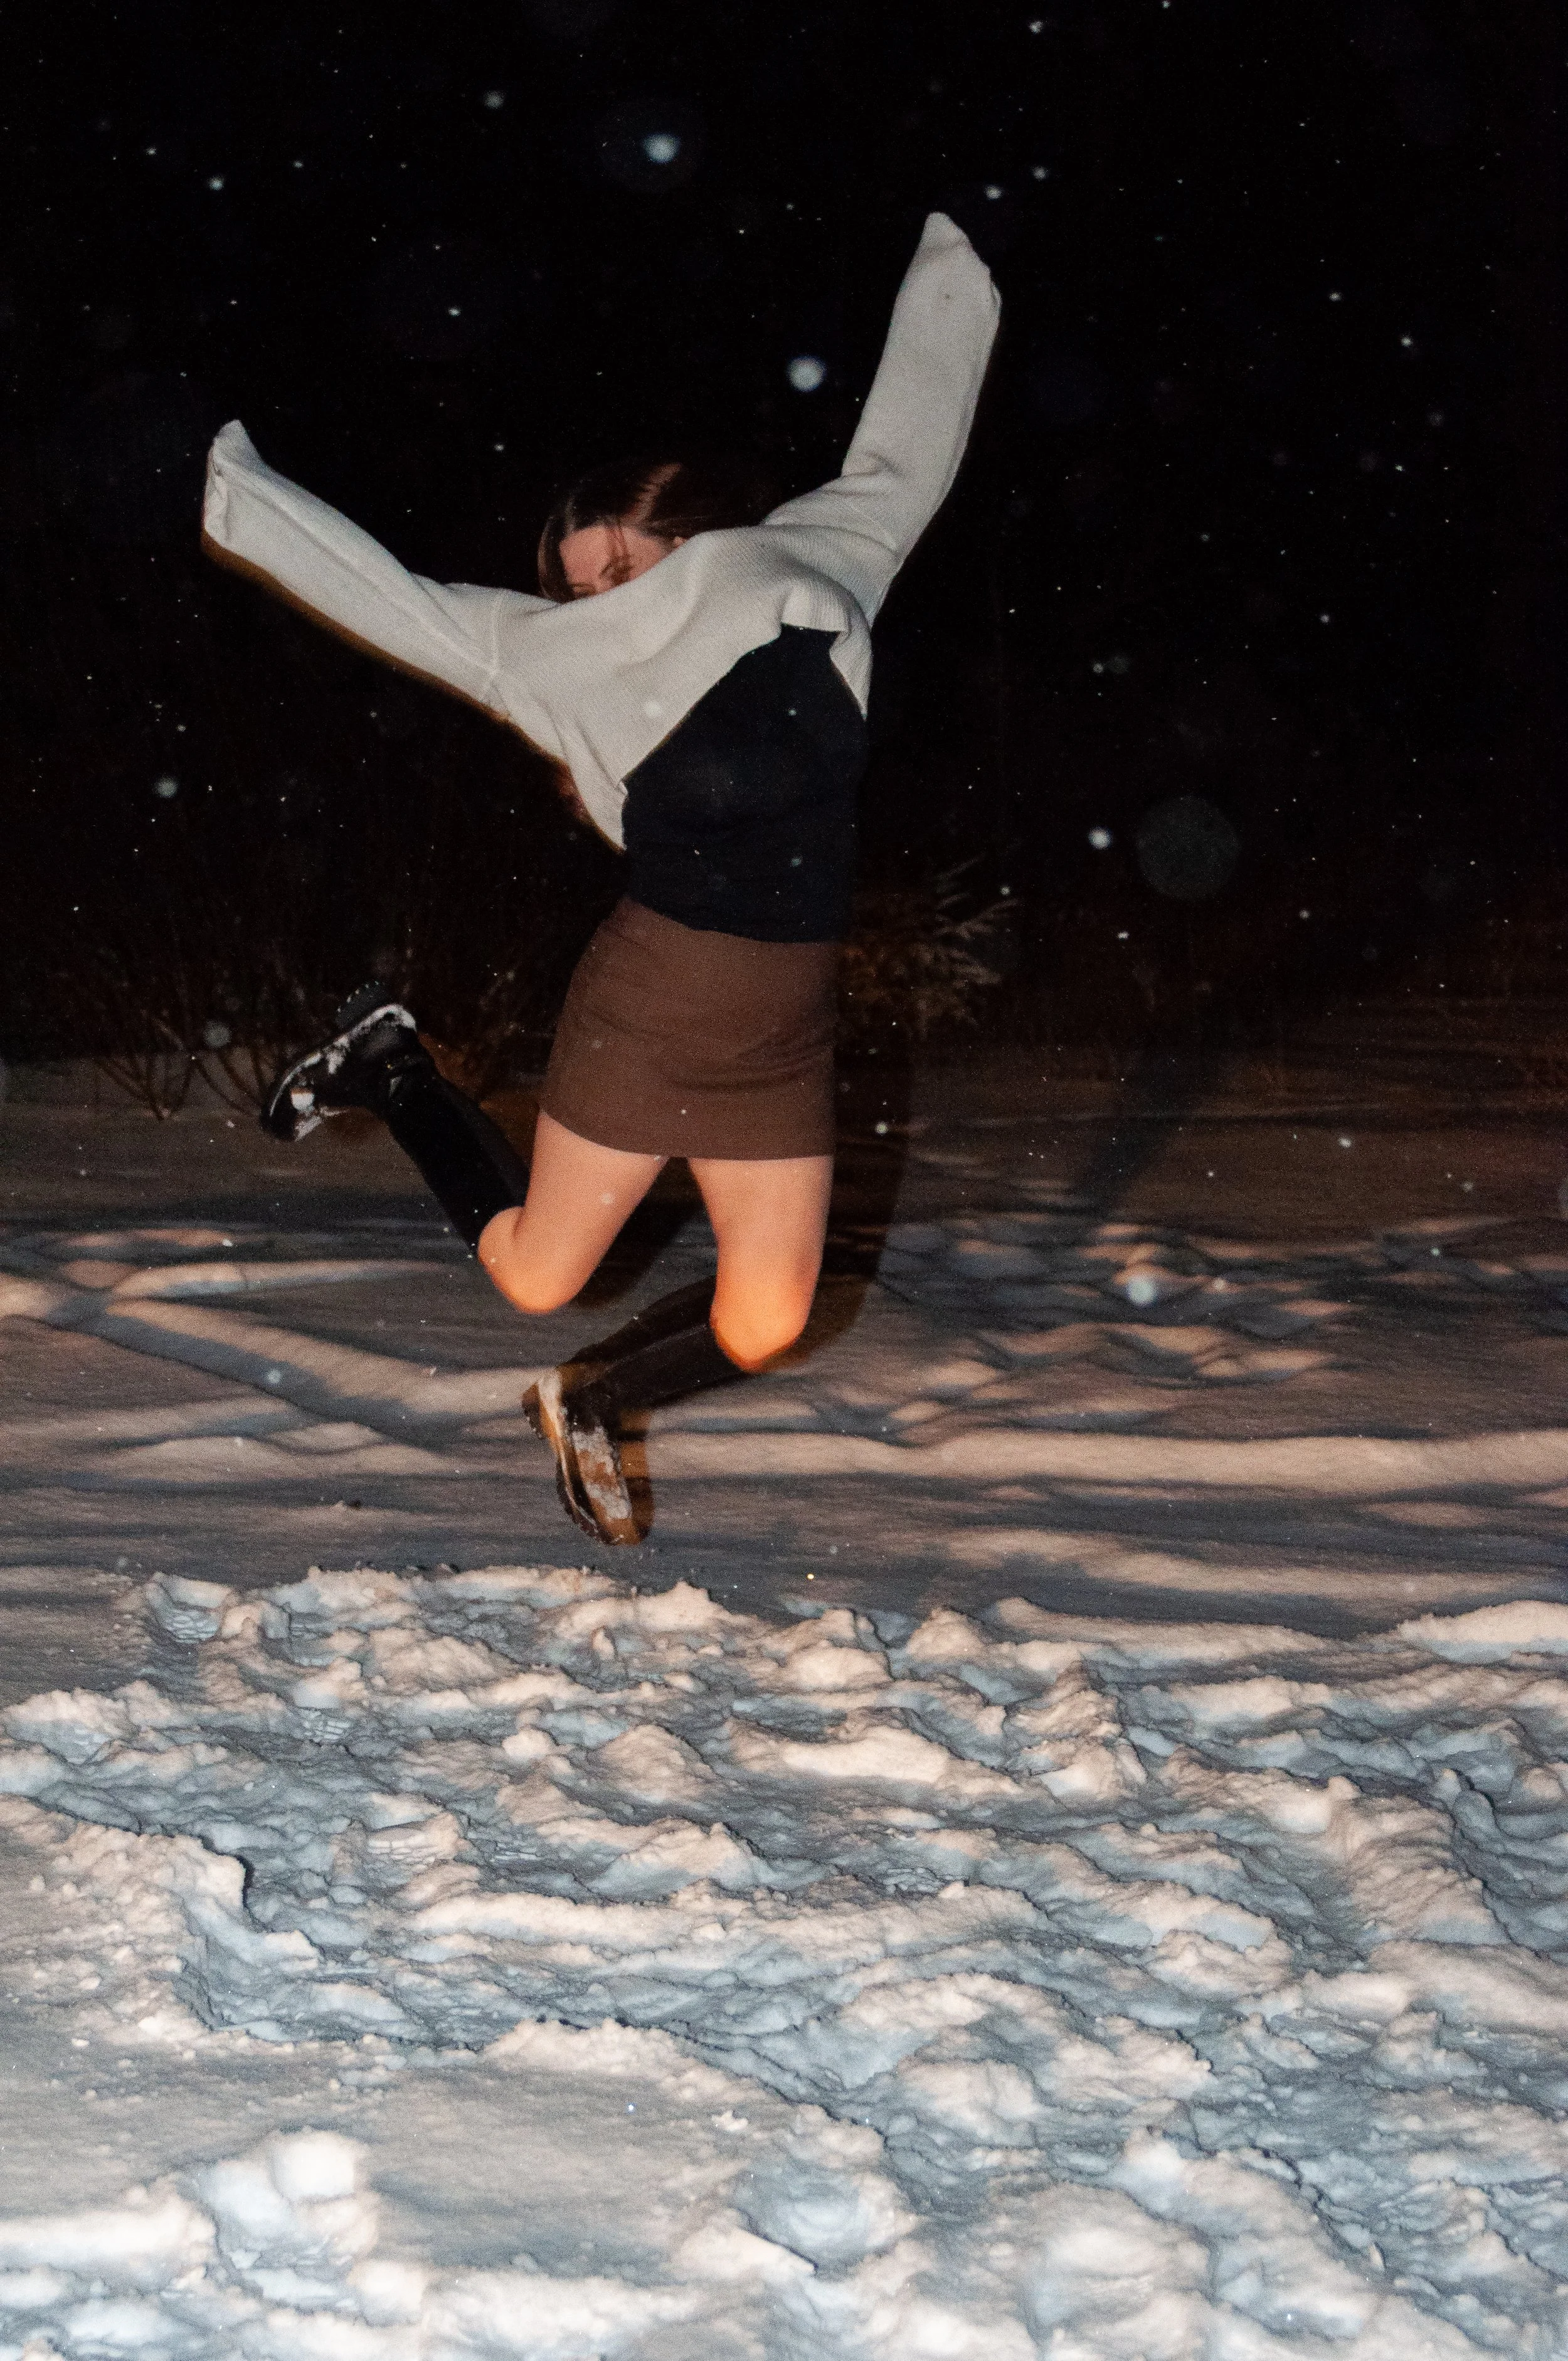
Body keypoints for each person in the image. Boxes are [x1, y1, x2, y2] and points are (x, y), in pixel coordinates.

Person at [201, 213, 999, 1544]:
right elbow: (389, 594)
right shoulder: (553, 657)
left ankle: (590, 1398)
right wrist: (230, 486)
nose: (604, 600)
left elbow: (910, 434)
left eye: (622, 564)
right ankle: (396, 1070)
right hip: (656, 996)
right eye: (581, 587)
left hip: (785, 1018)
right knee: (531, 1270)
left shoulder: (820, 552)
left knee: (767, 1316)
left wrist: (954, 260)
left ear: (684, 521)